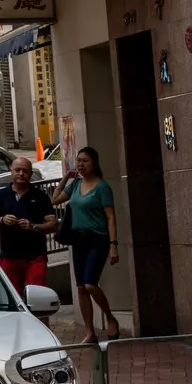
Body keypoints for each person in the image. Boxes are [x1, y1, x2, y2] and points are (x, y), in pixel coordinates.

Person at [54, 146, 121, 343]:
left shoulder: (102, 188)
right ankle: (90, 332)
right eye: (78, 161)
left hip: (97, 240)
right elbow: (54, 199)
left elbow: (110, 218)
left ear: (95, 164)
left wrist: (113, 244)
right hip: (78, 240)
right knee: (81, 287)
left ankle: (109, 316)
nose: (81, 164)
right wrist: (67, 177)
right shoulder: (75, 185)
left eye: (85, 161)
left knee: (91, 284)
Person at [0, 154, 57, 295]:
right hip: (9, 257)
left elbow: (53, 225)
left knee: (38, 299)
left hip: (35, 257)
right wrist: (2, 220)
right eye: (17, 170)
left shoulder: (41, 196)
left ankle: (39, 318)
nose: (21, 174)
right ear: (11, 171)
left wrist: (33, 226)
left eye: (25, 171)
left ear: (30, 174)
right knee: (12, 298)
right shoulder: (0, 195)